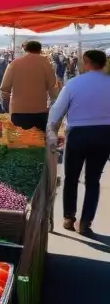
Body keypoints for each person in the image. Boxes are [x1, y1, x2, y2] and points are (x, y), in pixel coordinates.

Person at [48, 49, 110, 237]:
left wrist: (51, 130)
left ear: (87, 62)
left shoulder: (75, 83)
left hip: (77, 134)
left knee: (71, 177)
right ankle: (85, 222)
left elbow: (57, 109)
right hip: (104, 134)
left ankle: (68, 217)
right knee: (93, 180)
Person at [0, 40, 59, 130]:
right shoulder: (46, 64)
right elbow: (53, 87)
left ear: (25, 50)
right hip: (40, 110)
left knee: (20, 141)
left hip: (18, 110)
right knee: (39, 140)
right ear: (40, 50)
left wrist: (7, 105)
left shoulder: (14, 64)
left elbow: (4, 88)